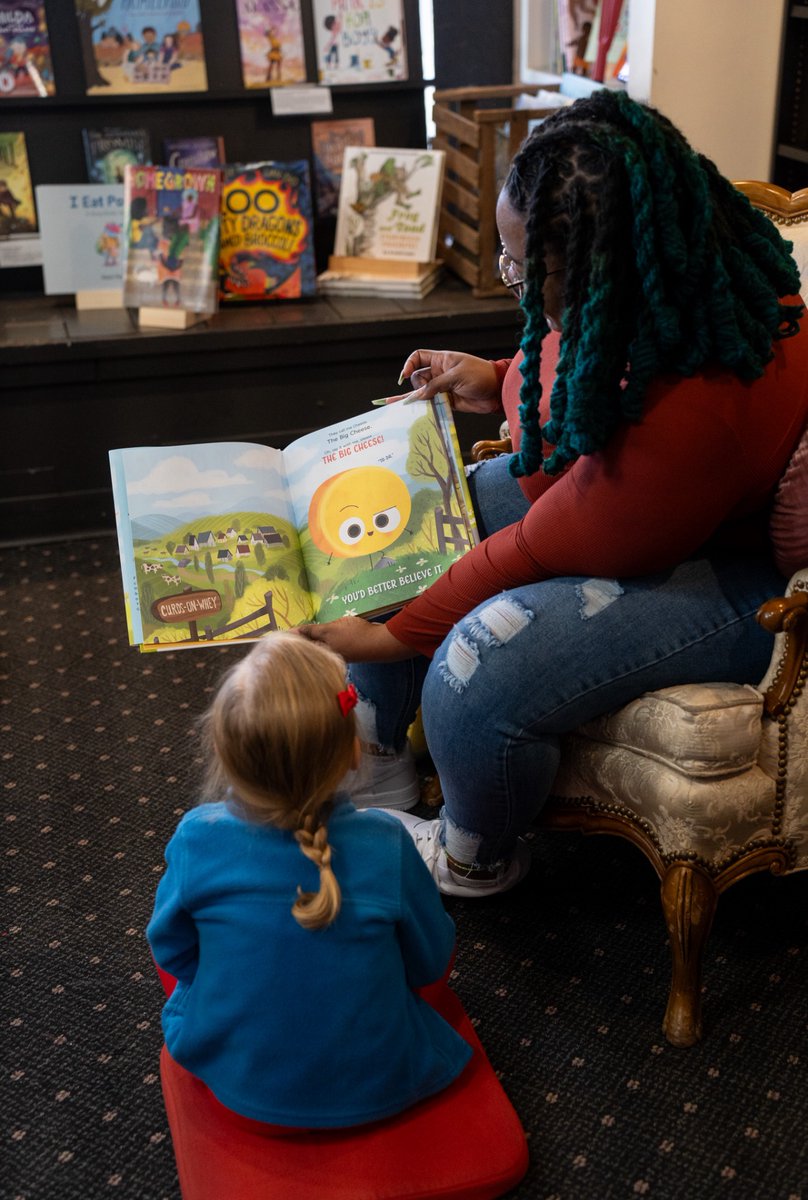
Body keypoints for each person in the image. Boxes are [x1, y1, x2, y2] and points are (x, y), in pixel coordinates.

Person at [298, 89, 808, 898]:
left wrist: (388, 639)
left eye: (521, 266)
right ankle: (381, 759)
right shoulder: (667, 278)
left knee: (475, 672)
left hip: (751, 573)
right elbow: (579, 392)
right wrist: (499, 374)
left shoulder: (695, 410)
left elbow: (546, 522)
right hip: (663, 506)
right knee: (424, 525)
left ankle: (473, 859)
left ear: (599, 271)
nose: (513, 280)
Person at [147, 634, 471, 1128]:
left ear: (222, 751)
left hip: (237, 1077)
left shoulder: (196, 838)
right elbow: (429, 962)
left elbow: (170, 950)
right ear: (354, 752)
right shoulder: (386, 842)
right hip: (384, 1076)